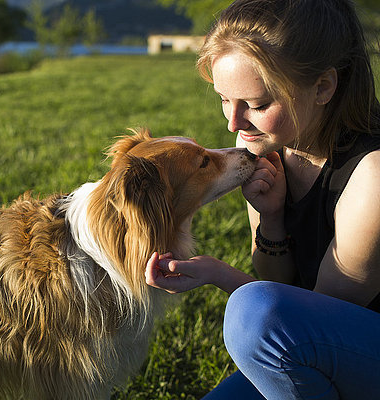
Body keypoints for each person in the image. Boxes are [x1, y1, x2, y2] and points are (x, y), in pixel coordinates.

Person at [145, 0, 380, 398]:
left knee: (254, 315)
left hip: (359, 347)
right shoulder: (271, 145)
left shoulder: (372, 177)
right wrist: (270, 219)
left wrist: (218, 274)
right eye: (223, 98)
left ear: (323, 87)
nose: (233, 123)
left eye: (256, 104)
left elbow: (303, 319)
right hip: (314, 348)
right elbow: (280, 284)